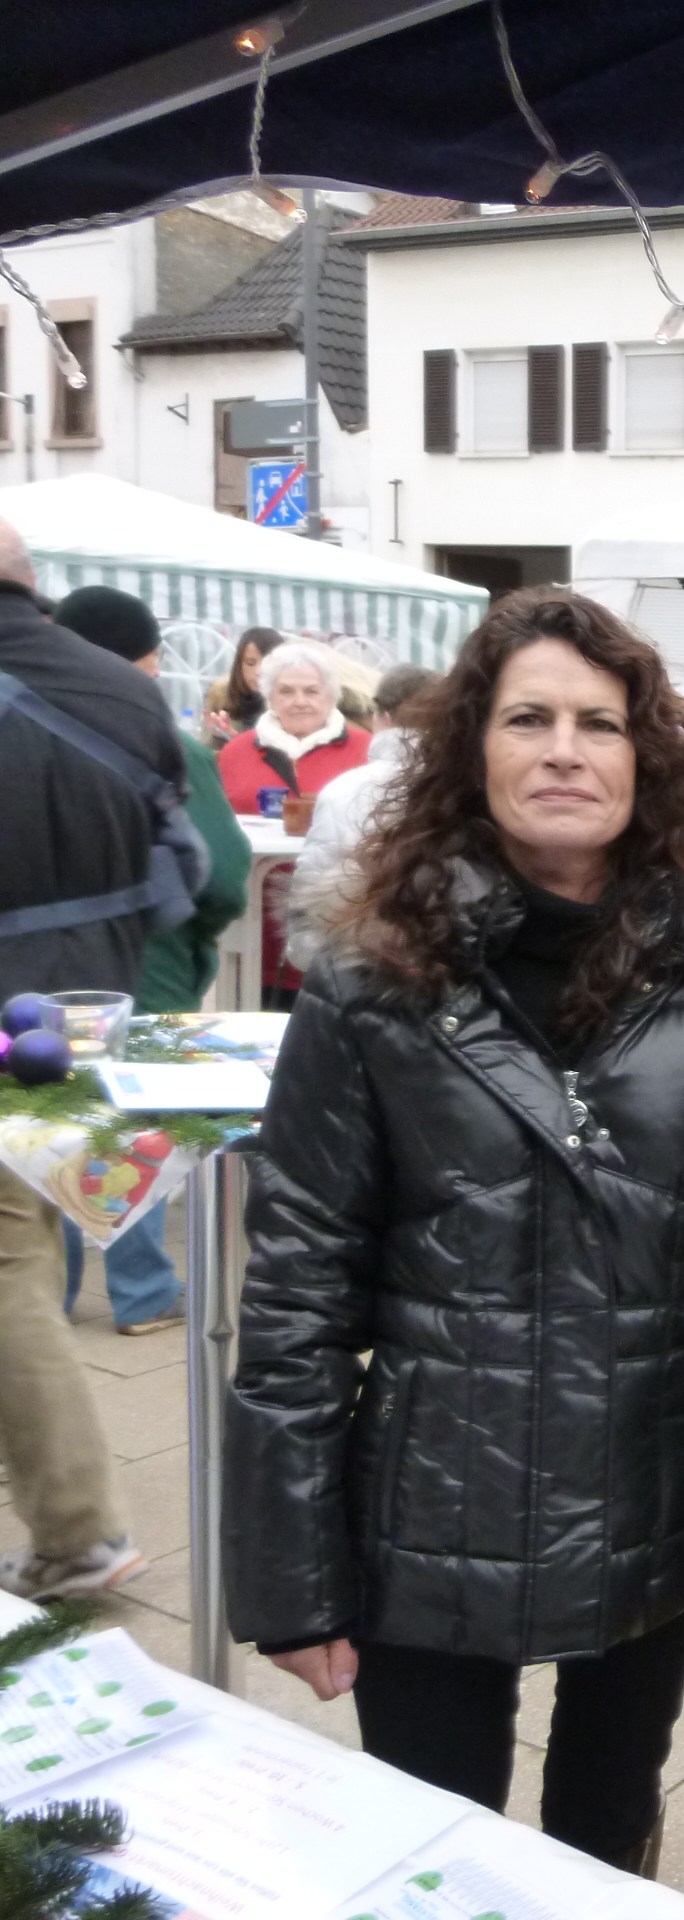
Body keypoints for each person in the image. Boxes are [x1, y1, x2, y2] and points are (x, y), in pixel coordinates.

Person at [226, 589, 684, 1875]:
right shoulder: (374, 973)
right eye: (528, 719)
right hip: (431, 1489)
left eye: (598, 723)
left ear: (645, 757)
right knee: (430, 1846)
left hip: (652, 1479)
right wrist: (289, 1574)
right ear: (472, 748)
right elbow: (297, 1287)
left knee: (605, 1830)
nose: (565, 750)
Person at [0, 518, 203, 1601]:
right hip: (86, 1013)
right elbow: (196, 870)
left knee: (9, 1262)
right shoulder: (124, 687)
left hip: (10, 1014)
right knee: (21, 1244)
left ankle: (79, 1528)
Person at [50, 584, 251, 1337]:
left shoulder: (18, 727)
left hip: (39, 964)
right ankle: (141, 1291)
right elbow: (222, 875)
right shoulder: (167, 741)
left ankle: (52, 1291)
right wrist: (197, 938)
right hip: (148, 957)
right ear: (141, 660)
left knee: (57, 1118)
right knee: (132, 1125)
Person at [217, 640, 371, 1006]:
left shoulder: (364, 750)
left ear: (332, 695)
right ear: (268, 695)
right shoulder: (236, 752)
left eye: (311, 691)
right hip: (251, 931)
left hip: (336, 929)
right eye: (286, 691)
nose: (299, 701)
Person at [285, 662, 441, 969]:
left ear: (383, 717)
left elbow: (310, 897)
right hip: (445, 963)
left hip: (354, 962)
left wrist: (305, 958)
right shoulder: (473, 786)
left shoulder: (344, 790)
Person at [205, 625, 280, 744]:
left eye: (267, 663)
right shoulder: (221, 698)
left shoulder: (291, 703)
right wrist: (219, 736)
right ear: (239, 665)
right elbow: (206, 751)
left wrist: (238, 741)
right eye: (250, 663)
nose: (258, 671)